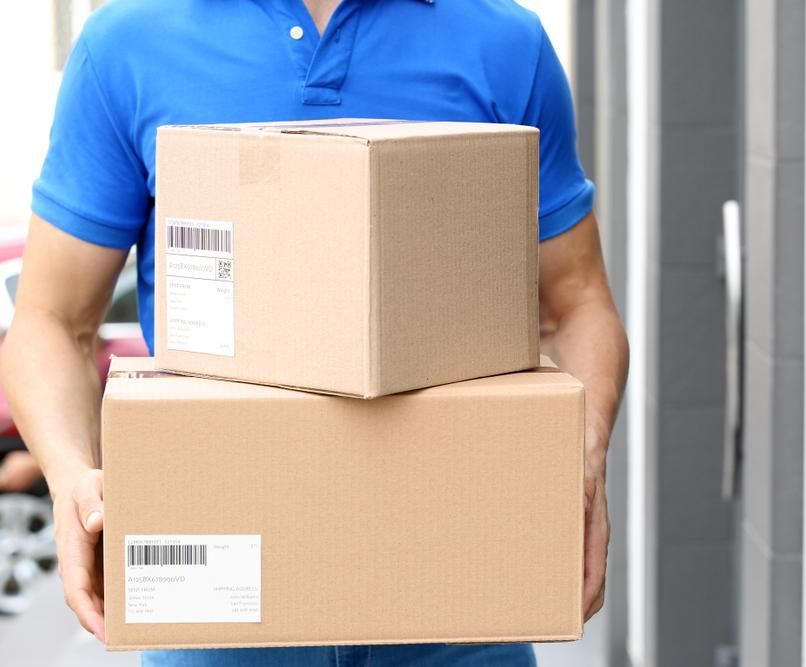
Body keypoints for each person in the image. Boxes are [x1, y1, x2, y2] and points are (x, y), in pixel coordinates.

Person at [0, 0, 629, 665]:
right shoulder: (129, 43)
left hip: (460, 617)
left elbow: (577, 303)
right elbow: (51, 320)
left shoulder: (502, 42)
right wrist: (71, 476)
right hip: (218, 625)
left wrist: (580, 462)